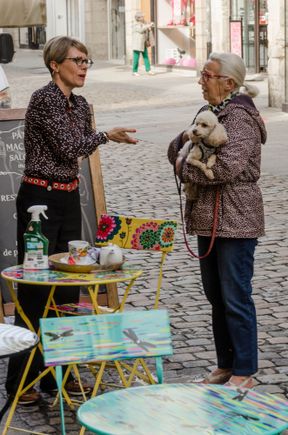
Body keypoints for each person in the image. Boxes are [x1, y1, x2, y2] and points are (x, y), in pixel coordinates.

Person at [5, 36, 138, 405]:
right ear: (55, 64)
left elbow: (78, 144)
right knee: (35, 290)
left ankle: (58, 376)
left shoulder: (78, 104)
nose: (83, 67)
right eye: (77, 60)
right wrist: (106, 136)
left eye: (87, 61)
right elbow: (69, 146)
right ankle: (21, 382)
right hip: (39, 201)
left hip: (66, 195)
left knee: (66, 289)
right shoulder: (44, 98)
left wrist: (98, 136)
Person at [168, 52, 267, 389]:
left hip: (237, 216)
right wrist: (183, 147)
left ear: (228, 82)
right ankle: (225, 364)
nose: (201, 80)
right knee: (215, 295)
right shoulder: (208, 112)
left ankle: (245, 370)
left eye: (207, 75)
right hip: (208, 217)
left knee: (236, 295)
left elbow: (226, 167)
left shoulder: (239, 118)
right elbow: (177, 146)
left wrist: (184, 166)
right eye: (201, 74)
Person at [132, 11, 154, 76]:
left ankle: (148, 70)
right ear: (138, 18)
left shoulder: (144, 23)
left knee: (146, 57)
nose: (143, 17)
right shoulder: (135, 24)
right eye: (142, 16)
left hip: (143, 43)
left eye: (143, 16)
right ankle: (134, 71)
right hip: (137, 44)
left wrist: (150, 25)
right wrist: (148, 26)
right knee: (136, 58)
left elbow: (147, 26)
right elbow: (141, 30)